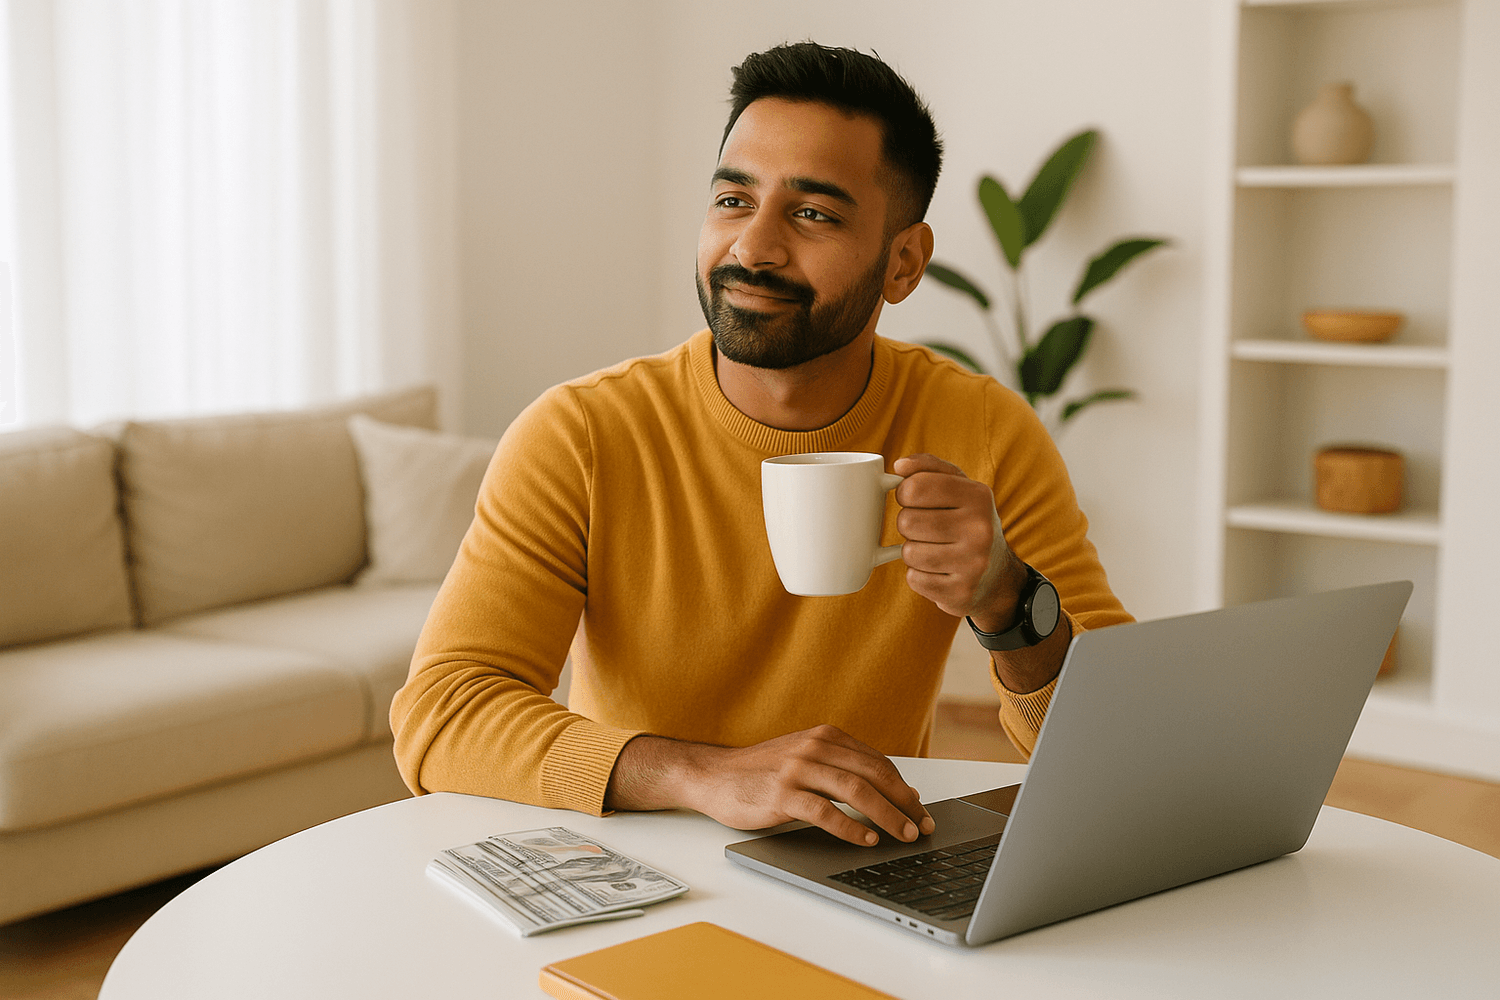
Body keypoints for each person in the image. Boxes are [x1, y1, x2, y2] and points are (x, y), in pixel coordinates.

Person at [390, 41, 1131, 851]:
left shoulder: (982, 428)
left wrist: (1007, 600)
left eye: (813, 214)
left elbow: (1125, 750)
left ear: (904, 262)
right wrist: (704, 775)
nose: (754, 248)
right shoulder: (581, 434)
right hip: (632, 864)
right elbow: (443, 712)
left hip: (863, 868)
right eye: (734, 200)